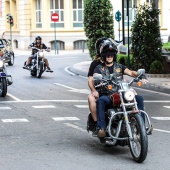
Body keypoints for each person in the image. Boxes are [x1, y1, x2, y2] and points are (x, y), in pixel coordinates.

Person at [93, 39, 150, 138]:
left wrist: (140, 75)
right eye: (107, 54)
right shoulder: (99, 68)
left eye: (111, 54)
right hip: (107, 95)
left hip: (121, 94)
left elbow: (131, 73)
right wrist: (98, 80)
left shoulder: (119, 67)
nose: (109, 56)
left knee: (139, 98)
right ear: (104, 55)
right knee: (101, 101)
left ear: (114, 55)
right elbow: (95, 76)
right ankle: (101, 128)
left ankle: (142, 127)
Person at [87, 37, 108, 136]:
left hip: (114, 89)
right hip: (100, 90)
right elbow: (90, 80)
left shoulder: (113, 61)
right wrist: (94, 90)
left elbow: (121, 76)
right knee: (91, 98)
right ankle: (97, 125)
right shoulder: (95, 64)